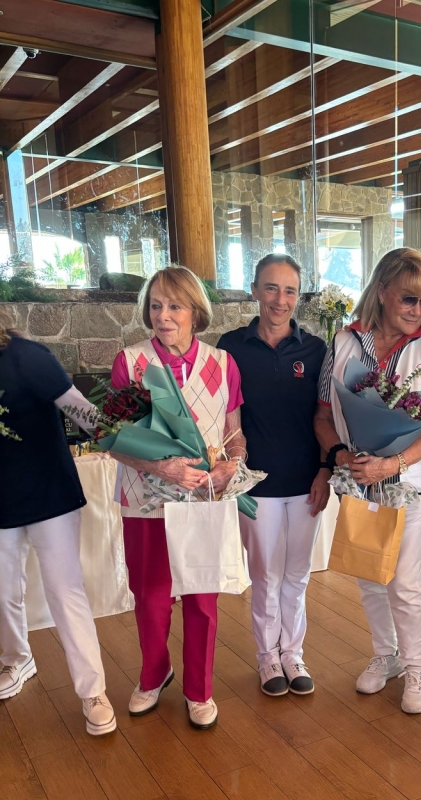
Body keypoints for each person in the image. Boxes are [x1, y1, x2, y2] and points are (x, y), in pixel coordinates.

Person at [315, 247, 421, 714]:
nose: (418, 310)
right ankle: (387, 655)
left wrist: (393, 464)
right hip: (357, 478)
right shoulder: (343, 341)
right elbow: (322, 415)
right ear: (382, 291)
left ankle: (415, 668)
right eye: (408, 298)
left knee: (404, 580)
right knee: (369, 574)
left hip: (410, 480)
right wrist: (340, 455)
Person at [109, 266, 246, 730]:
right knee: (150, 596)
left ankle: (199, 689)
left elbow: (234, 432)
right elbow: (113, 440)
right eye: (155, 306)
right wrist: (160, 467)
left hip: (203, 499)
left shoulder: (222, 363)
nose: (163, 316)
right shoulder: (131, 362)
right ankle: (154, 674)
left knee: (202, 598)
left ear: (195, 312)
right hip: (144, 498)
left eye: (174, 306)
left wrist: (232, 464)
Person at [219, 254, 330, 696]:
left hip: (307, 482)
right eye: (271, 288)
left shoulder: (316, 350)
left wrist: (325, 471)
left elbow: (327, 417)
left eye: (289, 291)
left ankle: (293, 654)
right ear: (254, 290)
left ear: (298, 297)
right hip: (255, 483)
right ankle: (268, 657)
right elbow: (225, 416)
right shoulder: (230, 347)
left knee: (297, 574)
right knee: (265, 575)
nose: (280, 300)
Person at [0, 312, 115, 736]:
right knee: (2, 590)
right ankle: (17, 659)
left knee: (65, 592)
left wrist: (139, 445)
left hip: (49, 494)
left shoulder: (28, 357)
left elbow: (88, 417)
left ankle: (93, 691)